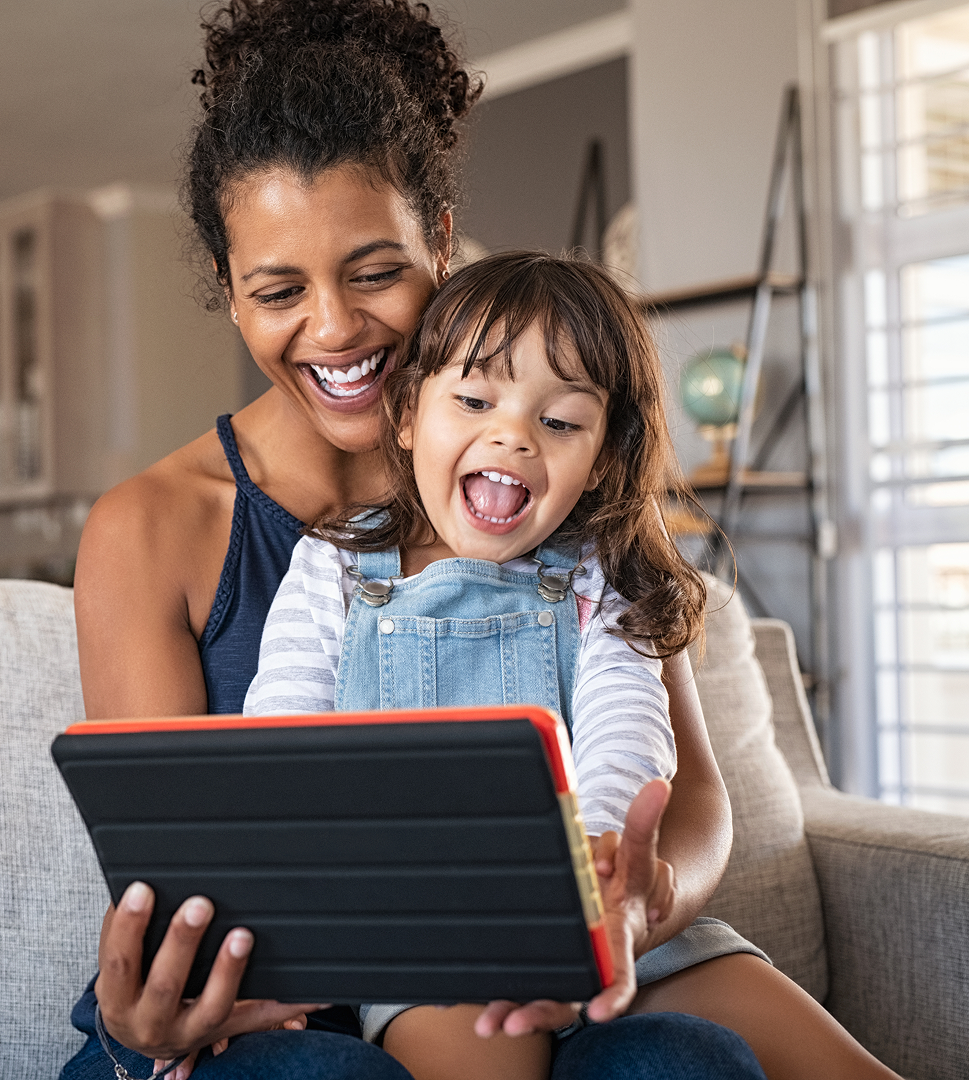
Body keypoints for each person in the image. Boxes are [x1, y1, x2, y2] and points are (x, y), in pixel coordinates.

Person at [65, 2, 902, 1079]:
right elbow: (187, 861)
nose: (333, 330)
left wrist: (627, 912)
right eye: (278, 290)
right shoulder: (162, 526)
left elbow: (682, 792)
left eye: (374, 272)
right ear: (229, 294)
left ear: (441, 240)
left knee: (683, 1060)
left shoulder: (564, 483)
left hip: (565, 957)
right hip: (285, 1004)